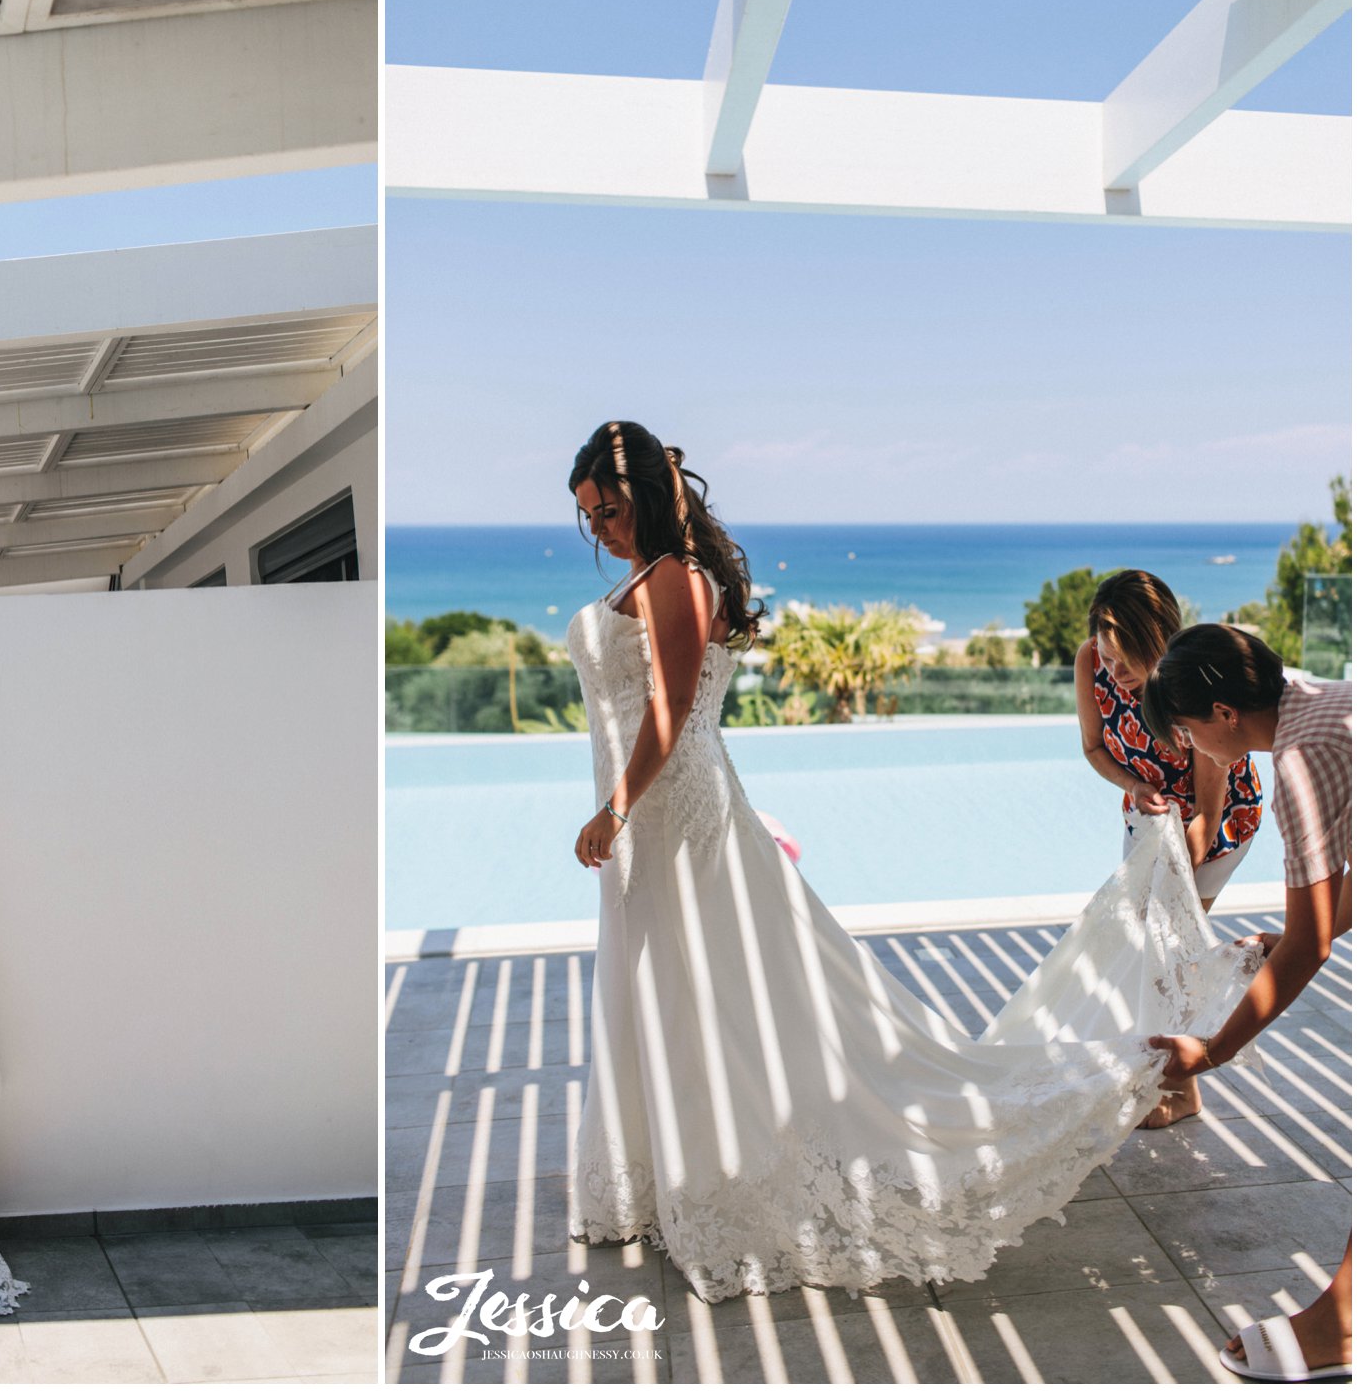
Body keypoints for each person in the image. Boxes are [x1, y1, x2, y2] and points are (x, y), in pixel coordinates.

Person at [562, 420, 1259, 1305]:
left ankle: (720, 1171)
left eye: (612, 510)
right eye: (590, 517)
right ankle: (659, 1168)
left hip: (669, 810)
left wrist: (617, 804)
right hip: (655, 813)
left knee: (711, 986)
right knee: (665, 983)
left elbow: (669, 707)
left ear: (649, 498)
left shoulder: (677, 579)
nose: (602, 530)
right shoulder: (654, 574)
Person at [1141, 624, 1351, 1383]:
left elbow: (1311, 947)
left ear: (1225, 713)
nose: (1192, 745)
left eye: (1190, 728)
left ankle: (1341, 1324)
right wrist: (1312, 920)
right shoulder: (1306, 699)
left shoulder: (1296, 759)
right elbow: (1322, 913)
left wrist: (1214, 1050)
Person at [1074, 570, 1263, 1126]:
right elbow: (1092, 748)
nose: (1114, 671)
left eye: (1125, 659)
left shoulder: (1188, 685)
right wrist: (1136, 788)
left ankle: (1182, 1092)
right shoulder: (1092, 662)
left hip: (1219, 825)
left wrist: (1168, 890)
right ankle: (1165, 1064)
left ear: (1156, 640)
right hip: (1149, 818)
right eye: (1106, 658)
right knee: (1149, 952)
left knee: (1166, 953)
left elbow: (1207, 814)